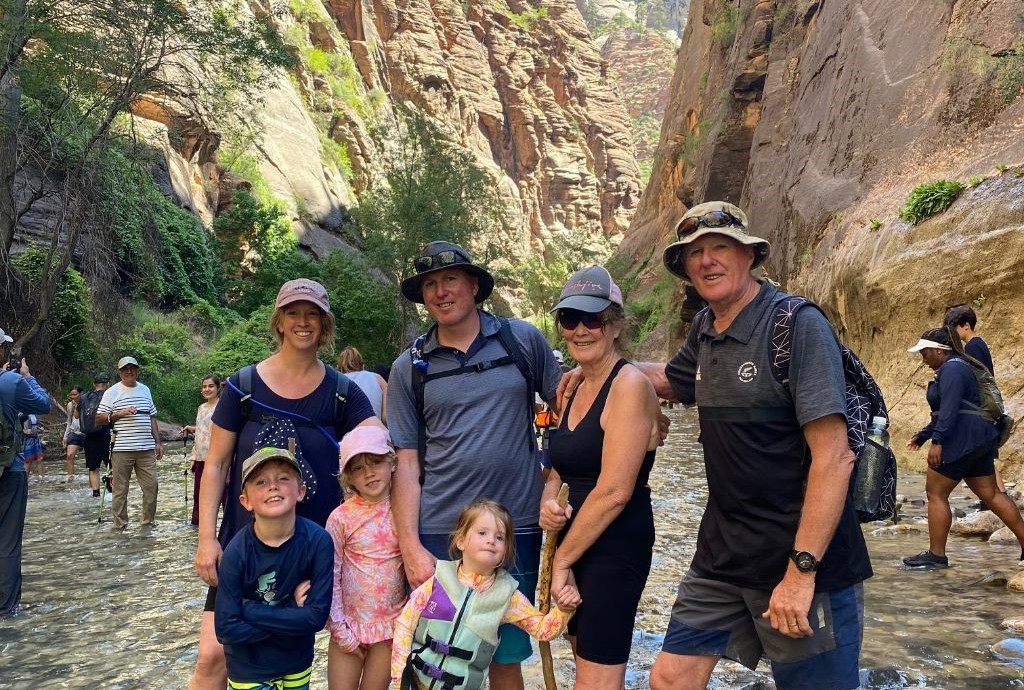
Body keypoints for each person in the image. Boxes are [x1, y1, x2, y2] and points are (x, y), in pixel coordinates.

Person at [583, 202, 872, 690]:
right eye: (694, 253)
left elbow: (835, 456)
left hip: (800, 561)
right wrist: (596, 372)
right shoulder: (706, 329)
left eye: (721, 247)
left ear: (749, 255)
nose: (707, 261)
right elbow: (671, 381)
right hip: (722, 558)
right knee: (671, 679)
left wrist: (801, 574)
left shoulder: (795, 325)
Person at [387, 241, 562, 690]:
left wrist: (554, 480)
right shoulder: (410, 367)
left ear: (473, 285)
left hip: (515, 527)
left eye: (449, 280)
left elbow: (571, 407)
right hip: (442, 533)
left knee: (504, 656)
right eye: (429, 284)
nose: (440, 292)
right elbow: (405, 462)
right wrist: (409, 544)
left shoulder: (521, 340)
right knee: (436, 658)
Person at [190, 278, 380, 690]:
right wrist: (207, 537)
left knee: (301, 652)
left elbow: (379, 450)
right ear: (279, 321)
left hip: (310, 548)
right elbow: (217, 464)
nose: (303, 322)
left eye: (313, 314)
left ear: (325, 324)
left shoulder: (342, 393)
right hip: (246, 539)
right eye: (293, 313)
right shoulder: (243, 387)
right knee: (213, 654)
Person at [540, 265, 661, 688]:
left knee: (596, 680)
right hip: (576, 543)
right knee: (584, 666)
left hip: (613, 546)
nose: (579, 330)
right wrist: (548, 503)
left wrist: (562, 563)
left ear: (614, 326)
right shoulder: (571, 386)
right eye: (569, 319)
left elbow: (613, 491)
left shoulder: (628, 385)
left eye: (592, 319)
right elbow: (560, 465)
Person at [390, 498, 580, 690]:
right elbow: (405, 624)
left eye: (500, 537)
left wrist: (563, 609)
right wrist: (399, 679)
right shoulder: (438, 580)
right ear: (461, 541)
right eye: (482, 533)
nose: (491, 540)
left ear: (506, 549)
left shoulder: (507, 596)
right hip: (414, 684)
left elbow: (543, 630)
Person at [902, 328, 1024, 568]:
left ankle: (937, 555)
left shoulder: (952, 369)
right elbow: (948, 411)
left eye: (925, 353)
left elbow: (949, 409)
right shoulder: (958, 367)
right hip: (979, 438)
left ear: (939, 350)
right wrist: (924, 435)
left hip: (961, 438)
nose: (923, 359)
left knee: (936, 493)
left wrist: (937, 441)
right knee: (992, 494)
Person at [215, 446, 334, 690]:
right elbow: (225, 629)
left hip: (297, 662)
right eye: (260, 482)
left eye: (283, 478)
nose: (273, 486)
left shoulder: (319, 541)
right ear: (245, 501)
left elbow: (316, 619)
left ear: (301, 491)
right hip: (248, 668)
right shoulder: (236, 552)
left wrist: (249, 611)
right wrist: (292, 611)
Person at [326, 426, 405, 690]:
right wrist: (338, 629)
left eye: (376, 462)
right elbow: (329, 577)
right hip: (348, 625)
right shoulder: (341, 518)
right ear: (348, 477)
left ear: (392, 462)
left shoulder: (405, 509)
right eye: (358, 468)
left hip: (389, 629)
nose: (369, 472)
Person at [0, 336, 51, 616]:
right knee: (7, 542)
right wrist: (27, 377)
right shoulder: (12, 382)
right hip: (10, 468)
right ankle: (7, 609)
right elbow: (42, 404)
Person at [943, 304, 1005, 495]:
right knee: (987, 458)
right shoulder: (978, 344)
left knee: (986, 458)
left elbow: (977, 378)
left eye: (954, 328)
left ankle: (995, 498)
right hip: (986, 408)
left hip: (982, 408)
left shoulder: (973, 346)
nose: (953, 334)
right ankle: (996, 498)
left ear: (966, 325)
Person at [96, 356, 161, 529]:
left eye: (132, 368)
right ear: (119, 372)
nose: (129, 371)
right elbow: (99, 418)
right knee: (120, 491)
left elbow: (152, 417)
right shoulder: (112, 392)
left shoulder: (145, 390)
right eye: (125, 369)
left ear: (137, 370)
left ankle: (147, 524)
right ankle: (120, 526)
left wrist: (158, 442)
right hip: (122, 448)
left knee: (152, 487)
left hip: (146, 448)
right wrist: (119, 413)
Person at [180, 374, 223, 526]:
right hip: (201, 457)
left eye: (211, 386)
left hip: (218, 457)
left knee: (223, 493)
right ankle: (198, 527)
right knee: (199, 494)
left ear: (218, 388)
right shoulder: (201, 408)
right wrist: (191, 429)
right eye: (204, 386)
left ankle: (227, 526)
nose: (207, 389)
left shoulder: (223, 406)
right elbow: (202, 431)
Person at [80, 372, 112, 498]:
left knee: (93, 468)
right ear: (107, 384)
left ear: (94, 384)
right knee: (111, 465)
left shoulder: (84, 398)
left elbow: (77, 416)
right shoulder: (109, 396)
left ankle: (96, 493)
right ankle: (111, 491)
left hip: (89, 437)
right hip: (105, 435)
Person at [338, 346, 388, 424]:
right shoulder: (378, 379)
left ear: (340, 367)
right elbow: (386, 417)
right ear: (362, 364)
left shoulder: (336, 381)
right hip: (375, 430)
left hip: (345, 434)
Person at [63, 386, 86, 482]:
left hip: (86, 433)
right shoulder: (69, 405)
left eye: (75, 394)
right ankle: (70, 477)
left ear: (80, 394)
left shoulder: (86, 403)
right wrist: (65, 436)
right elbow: (69, 421)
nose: (73, 397)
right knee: (69, 455)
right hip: (74, 433)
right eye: (71, 395)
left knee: (90, 458)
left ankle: (92, 478)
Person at [20, 413, 43, 478]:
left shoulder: (35, 414)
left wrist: (40, 428)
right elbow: (16, 426)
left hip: (35, 438)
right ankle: (25, 479)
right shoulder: (21, 413)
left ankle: (41, 478)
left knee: (40, 458)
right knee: (28, 460)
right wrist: (24, 431)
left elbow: (35, 424)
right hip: (27, 440)